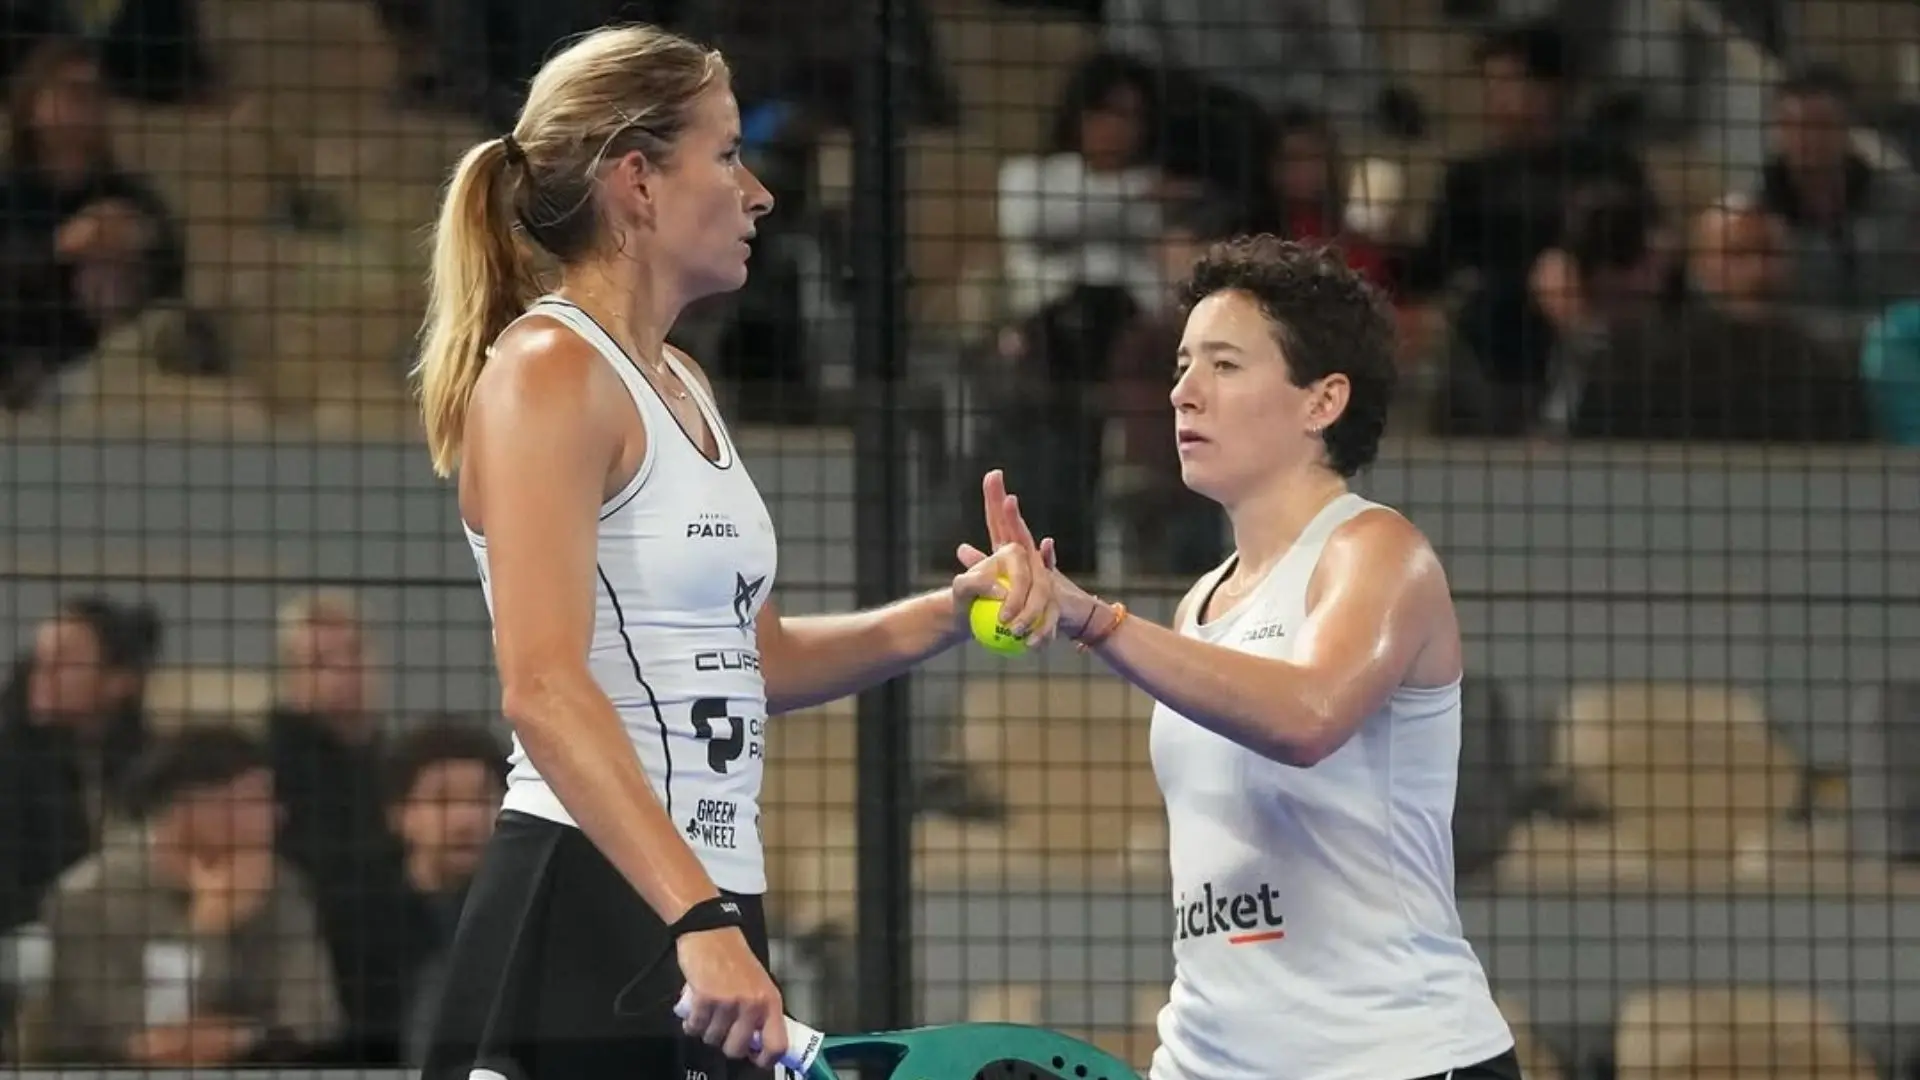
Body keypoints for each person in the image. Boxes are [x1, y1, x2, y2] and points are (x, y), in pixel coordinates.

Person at [408, 22, 1056, 1080]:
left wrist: (949, 610)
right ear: (638, 183)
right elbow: (541, 687)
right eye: (725, 153)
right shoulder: (547, 371)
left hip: (695, 899)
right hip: (589, 897)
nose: (757, 192)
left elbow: (759, 660)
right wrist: (696, 917)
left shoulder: (684, 386)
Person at [968, 236, 1520, 1080]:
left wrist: (1094, 621)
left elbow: (1306, 716)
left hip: (1394, 1058)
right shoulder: (1200, 602)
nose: (1184, 391)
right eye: (1185, 364)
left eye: (1224, 365)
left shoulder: (1377, 550)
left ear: (1322, 400)